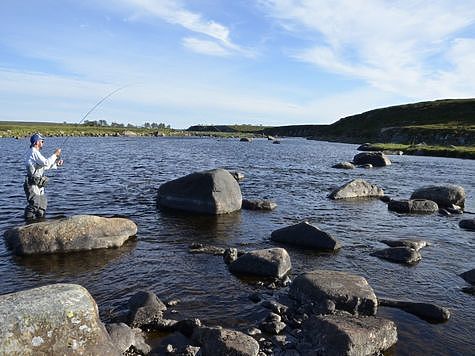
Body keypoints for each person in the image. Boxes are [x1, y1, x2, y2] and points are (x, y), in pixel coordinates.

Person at [23, 133, 63, 220]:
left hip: (39, 184)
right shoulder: (33, 152)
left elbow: (45, 166)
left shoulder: (36, 153)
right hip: (32, 184)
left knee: (42, 206)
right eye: (42, 141)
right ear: (37, 142)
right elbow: (46, 163)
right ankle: (27, 223)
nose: (43, 143)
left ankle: (40, 222)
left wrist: (56, 164)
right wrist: (55, 154)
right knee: (35, 204)